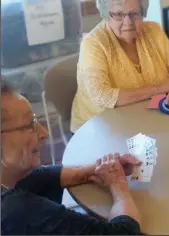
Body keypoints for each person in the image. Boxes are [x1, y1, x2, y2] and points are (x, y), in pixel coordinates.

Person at [1, 78, 143, 234]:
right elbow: (123, 232)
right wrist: (120, 188)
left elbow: (32, 179)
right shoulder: (16, 212)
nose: (44, 133)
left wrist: (99, 169)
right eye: (30, 125)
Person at [71, 0, 169, 133]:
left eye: (134, 14)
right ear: (107, 15)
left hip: (147, 120)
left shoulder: (153, 31)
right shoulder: (93, 44)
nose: (128, 22)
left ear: (143, 13)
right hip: (99, 128)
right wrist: (161, 88)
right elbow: (103, 97)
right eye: (118, 15)